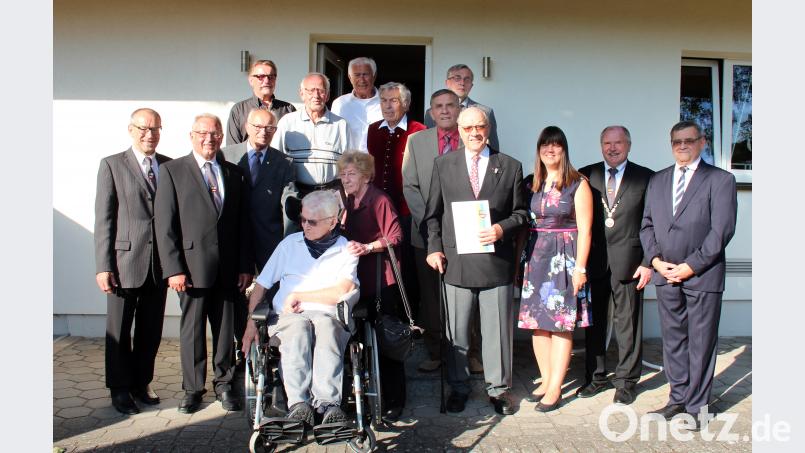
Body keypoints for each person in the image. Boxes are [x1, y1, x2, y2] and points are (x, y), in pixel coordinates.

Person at [424, 107, 527, 415]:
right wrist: (433, 248)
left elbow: (521, 214)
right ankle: (458, 387)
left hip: (495, 262)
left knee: (496, 333)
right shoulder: (443, 164)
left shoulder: (510, 166)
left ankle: (498, 390)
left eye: (479, 126)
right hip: (456, 262)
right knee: (456, 333)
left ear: (488, 128)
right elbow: (433, 214)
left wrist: (501, 228)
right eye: (467, 127)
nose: (474, 133)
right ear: (459, 129)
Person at [155, 113, 253, 414]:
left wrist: (245, 266)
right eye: (203, 133)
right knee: (192, 331)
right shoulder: (172, 171)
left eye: (215, 134)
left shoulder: (234, 173)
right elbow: (164, 223)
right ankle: (192, 389)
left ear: (222, 137)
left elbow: (242, 225)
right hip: (190, 269)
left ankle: (223, 385)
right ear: (191, 135)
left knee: (225, 331)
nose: (209, 139)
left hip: (227, 270)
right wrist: (173, 269)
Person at [640, 121, 737, 428]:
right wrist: (655, 260)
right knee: (674, 342)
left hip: (701, 275)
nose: (682, 146)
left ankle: (698, 407)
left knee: (701, 342)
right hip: (666, 274)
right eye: (676, 142)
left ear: (702, 142)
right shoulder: (658, 180)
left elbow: (721, 231)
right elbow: (647, 225)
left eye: (689, 140)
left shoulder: (720, 180)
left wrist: (692, 265)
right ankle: (677, 398)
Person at [241, 190, 359, 428]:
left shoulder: (346, 249)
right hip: (289, 317)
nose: (305, 225)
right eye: (302, 219)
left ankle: (328, 405)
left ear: (332, 221)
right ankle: (298, 406)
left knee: (326, 327)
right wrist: (250, 325)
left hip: (329, 314)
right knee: (298, 328)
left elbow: (342, 289)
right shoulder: (289, 244)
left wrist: (300, 295)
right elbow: (261, 285)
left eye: (312, 221)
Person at [94, 108, 170, 415]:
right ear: (130, 129)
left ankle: (142, 382)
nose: (149, 134)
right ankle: (120, 388)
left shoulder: (169, 166)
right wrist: (103, 265)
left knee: (150, 330)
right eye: (143, 128)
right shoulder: (112, 165)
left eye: (155, 129)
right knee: (119, 329)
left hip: (158, 265)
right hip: (123, 263)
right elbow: (104, 218)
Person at [517, 126, 593, 412]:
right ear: (538, 149)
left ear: (564, 149)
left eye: (556, 145)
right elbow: (524, 226)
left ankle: (556, 388)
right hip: (535, 256)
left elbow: (585, 230)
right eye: (545, 145)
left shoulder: (578, 183)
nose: (550, 150)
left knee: (560, 323)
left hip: (564, 257)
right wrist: (518, 264)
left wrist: (580, 269)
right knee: (537, 324)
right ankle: (547, 379)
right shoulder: (530, 184)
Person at [577, 126, 654, 405]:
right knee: (593, 324)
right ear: (601, 146)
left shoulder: (646, 177)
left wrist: (648, 262)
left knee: (629, 325)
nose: (612, 148)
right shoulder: (586, 175)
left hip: (631, 263)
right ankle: (595, 378)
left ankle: (626, 382)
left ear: (629, 145)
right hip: (595, 262)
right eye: (607, 143)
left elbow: (652, 224)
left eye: (618, 143)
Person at [221, 108, 297, 369]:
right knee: (235, 299)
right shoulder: (227, 154)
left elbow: (289, 200)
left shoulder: (284, 162)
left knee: (270, 298)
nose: (263, 132)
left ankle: (271, 353)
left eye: (269, 128)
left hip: (269, 240)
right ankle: (238, 354)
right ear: (246, 126)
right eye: (257, 126)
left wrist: (288, 243)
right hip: (233, 240)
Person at [338, 151, 406, 422]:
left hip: (381, 280)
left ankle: (395, 401)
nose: (346, 179)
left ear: (366, 175)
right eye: (342, 174)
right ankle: (360, 397)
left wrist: (368, 247)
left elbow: (395, 236)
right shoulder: (349, 202)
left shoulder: (379, 199)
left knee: (386, 340)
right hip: (357, 280)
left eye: (351, 174)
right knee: (357, 339)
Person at [402, 89, 463, 373]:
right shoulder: (417, 141)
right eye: (439, 106)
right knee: (430, 296)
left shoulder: (471, 138)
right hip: (425, 232)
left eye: (451, 105)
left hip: (464, 233)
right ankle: (436, 351)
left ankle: (469, 353)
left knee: (465, 292)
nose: (445, 111)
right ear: (431, 111)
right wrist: (429, 223)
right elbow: (410, 185)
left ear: (459, 108)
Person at [271, 72, 350, 201]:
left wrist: (349, 198)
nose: (316, 95)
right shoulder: (287, 122)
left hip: (331, 194)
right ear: (302, 94)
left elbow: (349, 165)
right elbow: (275, 159)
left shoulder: (341, 125)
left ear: (328, 95)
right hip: (297, 194)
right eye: (311, 90)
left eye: (321, 90)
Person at [424, 64, 499, 150]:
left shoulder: (485, 112)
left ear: (471, 85)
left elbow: (494, 149)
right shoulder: (432, 113)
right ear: (447, 83)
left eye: (467, 79)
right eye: (457, 78)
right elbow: (427, 145)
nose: (462, 83)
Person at [226, 59, 296, 146]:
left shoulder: (288, 110)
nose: (266, 81)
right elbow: (233, 148)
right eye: (261, 77)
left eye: (270, 76)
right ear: (251, 80)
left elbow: (294, 144)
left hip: (280, 159)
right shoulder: (239, 110)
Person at [331, 57, 382, 151]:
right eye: (357, 75)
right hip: (348, 163)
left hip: (378, 163)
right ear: (350, 78)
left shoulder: (386, 102)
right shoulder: (339, 104)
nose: (362, 80)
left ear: (374, 76)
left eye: (365, 74)